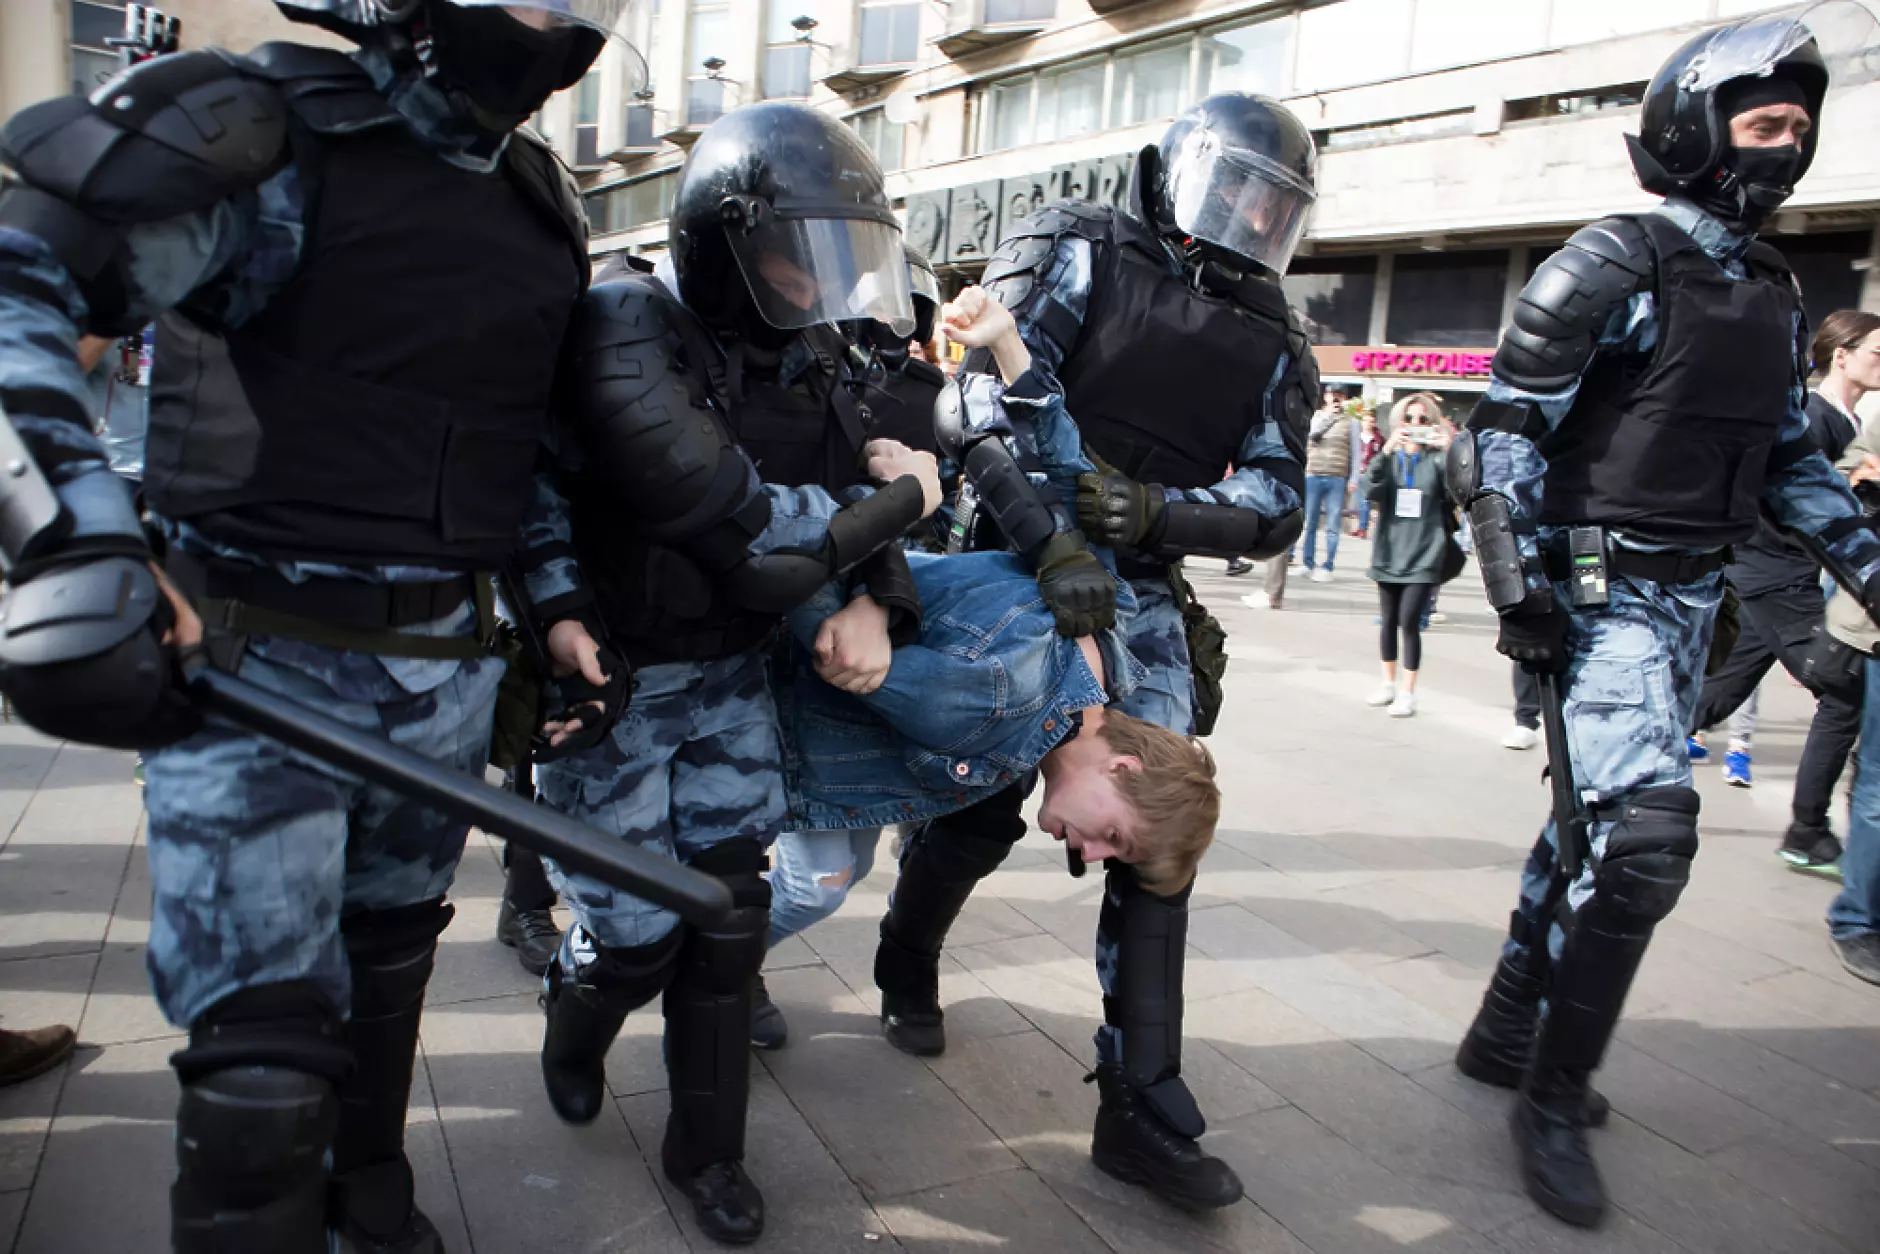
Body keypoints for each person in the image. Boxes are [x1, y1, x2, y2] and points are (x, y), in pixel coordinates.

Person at [0, 2, 643, 1249]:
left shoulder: (536, 202)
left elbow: (521, 442)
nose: (557, 23)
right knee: (261, 1067)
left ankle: (371, 1198)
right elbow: (17, 289)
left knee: (391, 965)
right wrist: (82, 540)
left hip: (443, 671)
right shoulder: (262, 134)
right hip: (254, 668)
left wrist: (555, 599)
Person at [1445, 9, 1880, 1229]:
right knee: (1641, 844)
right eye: (1760, 124)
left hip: (1696, 601)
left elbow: (1790, 463)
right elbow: (1498, 438)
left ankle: (1500, 1035)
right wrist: (1519, 594)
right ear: (1691, 128)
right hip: (1600, 595)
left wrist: (1868, 570)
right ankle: (1550, 1093)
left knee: (1586, 827)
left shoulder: (1769, 283)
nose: (1782, 149)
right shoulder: (1611, 258)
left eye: (1799, 128)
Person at [872, 93, 1315, 1212]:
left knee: (1156, 828)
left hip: (1144, 578)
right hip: (1016, 542)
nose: (1251, 215)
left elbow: (1272, 506)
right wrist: (1056, 530)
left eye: (1275, 202)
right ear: (1177, 172)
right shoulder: (1074, 242)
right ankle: (906, 952)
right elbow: (971, 407)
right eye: (1236, 188)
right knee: (975, 804)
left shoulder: (1274, 336)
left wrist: (1151, 513)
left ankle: (1138, 1102)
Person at [538, 102, 939, 1245]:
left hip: (727, 678)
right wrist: (907, 494)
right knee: (632, 935)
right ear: (720, 242)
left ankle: (706, 1154)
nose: (813, 287)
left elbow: (863, 504)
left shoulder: (810, 357)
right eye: (787, 256)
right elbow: (774, 537)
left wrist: (878, 590)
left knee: (725, 918)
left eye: (831, 262)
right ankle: (574, 1014)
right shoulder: (623, 322)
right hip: (616, 681)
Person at [748, 244, 950, 1051]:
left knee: (830, 876)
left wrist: (880, 598)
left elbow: (918, 516)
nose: (886, 328)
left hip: (851, 643)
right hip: (722, 624)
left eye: (905, 314)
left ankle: (728, 958)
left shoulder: (928, 397)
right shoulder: (763, 360)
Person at [1685, 310, 1877, 870]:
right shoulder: (1813, 417)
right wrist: (1854, 483)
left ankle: (1623, 750)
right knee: (1845, 695)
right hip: (1777, 576)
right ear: (1841, 354)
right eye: (1877, 351)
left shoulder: (1842, 419)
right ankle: (1808, 829)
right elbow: (1780, 500)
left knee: (1724, 690)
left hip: (1777, 577)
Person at [1364, 394, 1452, 718]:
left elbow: (1459, 490)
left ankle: (1408, 691)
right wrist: (1385, 452)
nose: (1415, 425)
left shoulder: (1438, 461)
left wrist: (1450, 451)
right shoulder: (1391, 459)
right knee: (1387, 621)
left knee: (1409, 622)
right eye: (1409, 419)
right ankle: (1387, 683)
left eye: (1423, 420)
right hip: (1389, 551)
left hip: (1425, 552)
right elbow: (1370, 490)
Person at [1303, 392, 1355, 580]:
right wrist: (1326, 417)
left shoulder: (1350, 422)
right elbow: (1308, 438)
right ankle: (1307, 562)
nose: (1336, 400)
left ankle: (1328, 565)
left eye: (1340, 397)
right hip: (1314, 474)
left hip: (1336, 477)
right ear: (1325, 397)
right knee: (1310, 522)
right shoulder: (1315, 417)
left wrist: (1354, 477)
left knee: (1333, 524)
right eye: (1333, 396)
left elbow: (1355, 451)